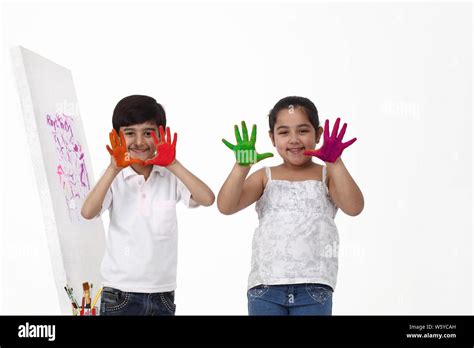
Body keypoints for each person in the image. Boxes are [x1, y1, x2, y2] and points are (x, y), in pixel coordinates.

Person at [217, 96, 364, 315]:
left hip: (315, 285)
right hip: (266, 285)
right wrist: (241, 167)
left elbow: (354, 207)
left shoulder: (327, 176)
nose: (294, 139)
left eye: (303, 130)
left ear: (318, 134)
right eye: (284, 132)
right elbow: (226, 206)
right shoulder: (265, 177)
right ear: (272, 138)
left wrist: (336, 162)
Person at [81, 95, 215, 315]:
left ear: (161, 134)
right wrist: (113, 169)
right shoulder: (114, 177)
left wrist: (173, 163)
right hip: (120, 294)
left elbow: (207, 198)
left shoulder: (170, 175)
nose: (140, 142)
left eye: (148, 133)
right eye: (130, 133)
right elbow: (88, 212)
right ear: (117, 137)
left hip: (163, 295)